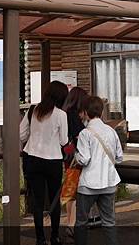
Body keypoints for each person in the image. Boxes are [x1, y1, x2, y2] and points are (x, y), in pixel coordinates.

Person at [20, 80, 69, 245]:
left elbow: (22, 135)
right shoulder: (61, 115)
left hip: (33, 158)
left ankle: (40, 239)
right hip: (53, 161)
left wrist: (34, 138)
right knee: (54, 199)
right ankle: (54, 236)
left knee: (38, 201)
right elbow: (63, 141)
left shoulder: (33, 109)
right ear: (61, 97)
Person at [75, 96, 123, 245]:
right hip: (108, 182)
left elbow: (84, 159)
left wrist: (76, 155)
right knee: (109, 221)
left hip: (88, 185)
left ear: (86, 113)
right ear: (101, 112)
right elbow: (119, 157)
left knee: (81, 222)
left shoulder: (85, 133)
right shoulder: (111, 131)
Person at [61, 87, 89, 228]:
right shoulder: (73, 115)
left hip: (67, 157)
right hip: (75, 158)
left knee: (70, 191)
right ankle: (72, 224)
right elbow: (81, 135)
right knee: (76, 191)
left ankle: (69, 221)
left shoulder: (64, 113)